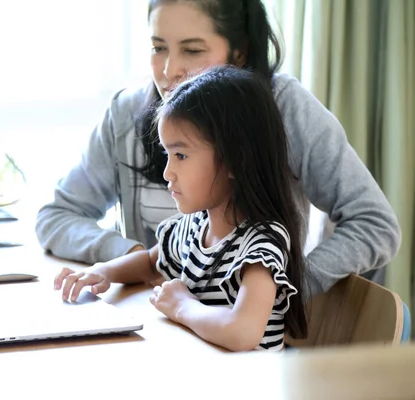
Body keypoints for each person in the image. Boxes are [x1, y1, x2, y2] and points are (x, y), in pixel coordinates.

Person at [36, 0, 401, 296]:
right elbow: (57, 216)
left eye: (192, 50)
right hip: (154, 327)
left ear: (239, 52)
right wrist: (135, 259)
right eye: (157, 48)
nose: (170, 70)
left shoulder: (285, 108)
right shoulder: (127, 112)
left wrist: (284, 288)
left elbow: (375, 224)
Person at [55, 66, 307, 351]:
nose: (167, 172)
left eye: (181, 155)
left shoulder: (260, 244)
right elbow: (151, 262)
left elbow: (243, 332)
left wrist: (183, 306)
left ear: (236, 160)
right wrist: (103, 272)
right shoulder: (194, 227)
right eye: (167, 154)